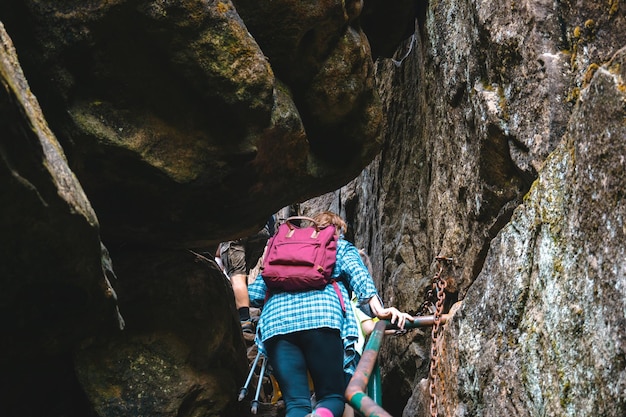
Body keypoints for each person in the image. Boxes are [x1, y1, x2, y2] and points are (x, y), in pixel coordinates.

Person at [248, 211, 414, 417]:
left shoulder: (283, 252)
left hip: (277, 324)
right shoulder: (338, 245)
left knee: (296, 404)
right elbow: (359, 275)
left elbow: (253, 294)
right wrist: (379, 310)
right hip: (322, 318)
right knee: (332, 397)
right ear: (337, 230)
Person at [220, 215, 276, 333]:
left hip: (236, 231)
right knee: (243, 274)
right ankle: (245, 313)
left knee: (237, 277)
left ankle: (244, 320)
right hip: (261, 232)